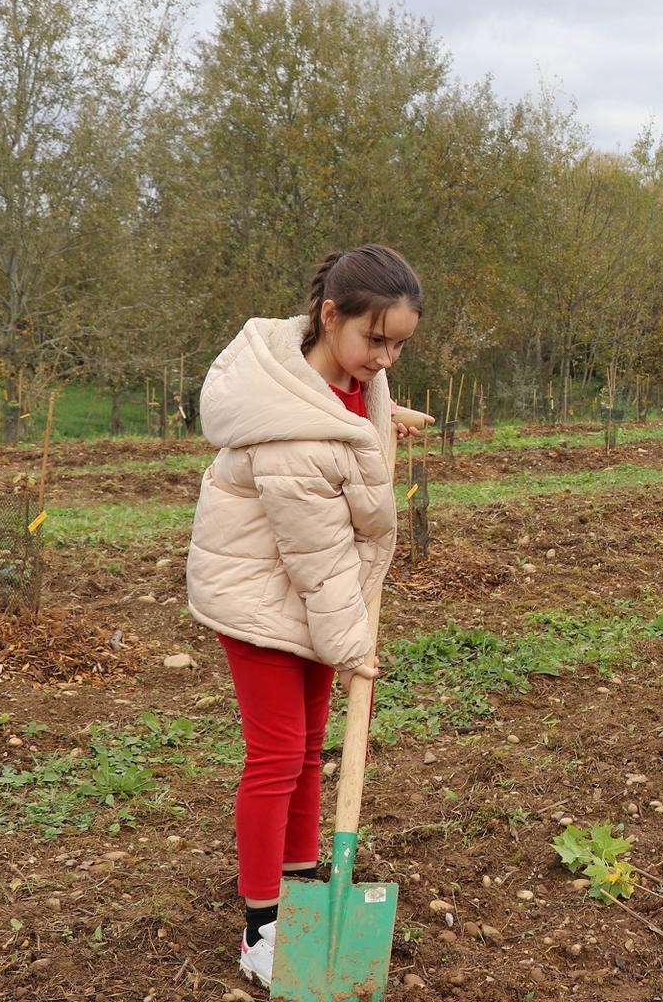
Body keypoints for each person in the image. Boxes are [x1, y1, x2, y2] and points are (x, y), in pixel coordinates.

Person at [185, 244, 429, 990]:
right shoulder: (290, 434)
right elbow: (319, 559)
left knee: (309, 750)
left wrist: (390, 419)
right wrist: (354, 647)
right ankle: (262, 930)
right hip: (263, 602)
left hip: (308, 600)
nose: (385, 358)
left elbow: (351, 428)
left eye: (399, 345)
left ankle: (302, 889)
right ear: (330, 316)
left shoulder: (343, 377)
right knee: (277, 755)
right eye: (375, 339)